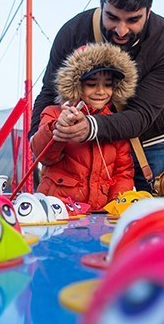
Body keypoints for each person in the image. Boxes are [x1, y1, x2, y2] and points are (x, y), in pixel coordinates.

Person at [30, 0, 164, 192]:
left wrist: (89, 127)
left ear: (148, 11)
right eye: (113, 17)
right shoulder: (72, 32)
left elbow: (142, 115)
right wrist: (38, 141)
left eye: (133, 20)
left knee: (156, 221)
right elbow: (49, 93)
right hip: (86, 147)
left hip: (152, 143)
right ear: (101, 4)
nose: (121, 30)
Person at [31, 42, 136, 210]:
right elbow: (44, 156)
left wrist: (114, 208)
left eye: (108, 84)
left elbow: (123, 172)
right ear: (76, 85)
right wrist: (58, 128)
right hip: (59, 212)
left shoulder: (114, 123)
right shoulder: (53, 114)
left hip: (100, 215)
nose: (101, 91)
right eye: (92, 84)